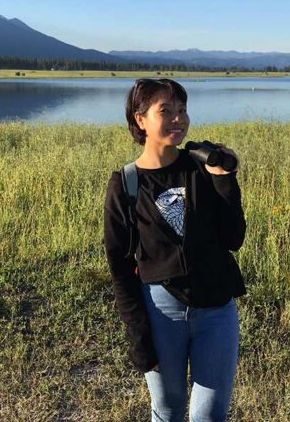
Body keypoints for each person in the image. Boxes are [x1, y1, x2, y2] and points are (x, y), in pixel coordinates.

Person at [103, 78, 247, 422]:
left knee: (209, 415)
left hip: (215, 309)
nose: (178, 119)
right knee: (167, 410)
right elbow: (120, 267)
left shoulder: (201, 166)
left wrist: (224, 178)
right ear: (140, 120)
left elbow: (233, 238)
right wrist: (139, 336)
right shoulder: (126, 183)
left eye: (182, 110)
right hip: (161, 312)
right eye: (165, 110)